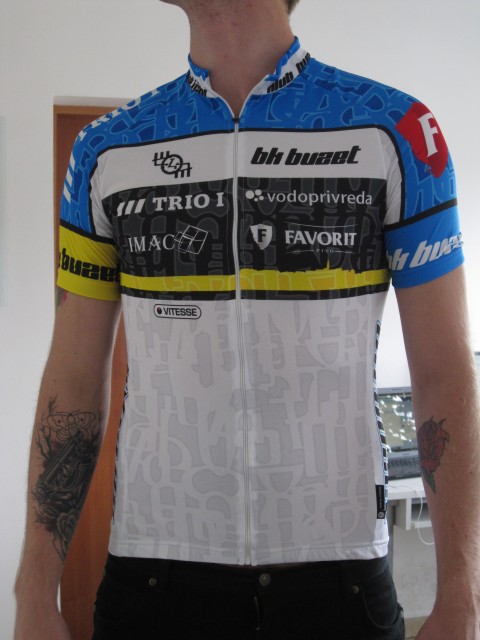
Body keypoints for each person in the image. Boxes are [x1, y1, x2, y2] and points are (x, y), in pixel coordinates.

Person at [14, 0, 480, 638]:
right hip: (152, 580)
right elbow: (71, 377)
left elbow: (445, 372)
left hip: (339, 581)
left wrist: (463, 595)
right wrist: (34, 590)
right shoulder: (106, 148)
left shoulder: (396, 131)